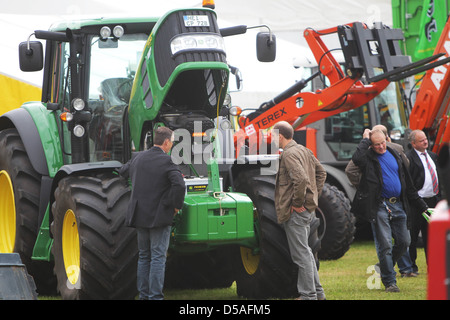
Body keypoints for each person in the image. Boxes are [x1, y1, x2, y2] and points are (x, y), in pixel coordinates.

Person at [351, 129, 427, 292]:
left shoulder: (395, 153)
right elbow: (356, 159)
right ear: (371, 145)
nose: (381, 147)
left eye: (383, 143)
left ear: (387, 139)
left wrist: (423, 207)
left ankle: (382, 267)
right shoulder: (368, 158)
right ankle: (390, 282)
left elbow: (408, 184)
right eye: (376, 144)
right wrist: (365, 139)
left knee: (404, 242)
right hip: (379, 206)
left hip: (398, 205)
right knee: (385, 244)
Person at [119, 126, 186, 300]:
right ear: (166, 142)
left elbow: (122, 171)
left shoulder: (138, 158)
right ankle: (155, 297)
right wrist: (176, 206)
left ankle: (144, 296)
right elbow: (179, 185)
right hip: (159, 217)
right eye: (171, 141)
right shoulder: (167, 161)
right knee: (157, 257)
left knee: (144, 256)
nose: (171, 145)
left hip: (139, 215)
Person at [272, 121, 327, 300]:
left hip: (296, 211)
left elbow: (301, 179)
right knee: (307, 253)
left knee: (301, 255)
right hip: (307, 210)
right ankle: (318, 294)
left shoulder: (289, 154)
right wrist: (313, 197)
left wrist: (298, 202)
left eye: (273, 136)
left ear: (280, 136)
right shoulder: (304, 150)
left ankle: (307, 295)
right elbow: (321, 173)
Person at [406, 129, 440, 273]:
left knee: (432, 236)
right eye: (421, 140)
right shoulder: (409, 158)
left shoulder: (432, 156)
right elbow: (409, 185)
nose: (425, 141)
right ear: (413, 143)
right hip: (416, 203)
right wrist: (420, 204)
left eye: (425, 139)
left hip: (433, 201)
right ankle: (411, 267)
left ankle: (432, 265)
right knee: (413, 236)